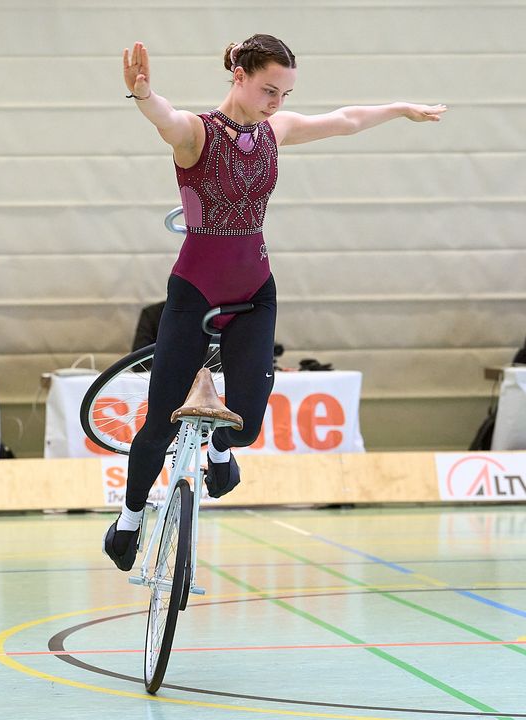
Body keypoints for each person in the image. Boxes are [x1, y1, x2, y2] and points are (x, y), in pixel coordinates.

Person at [104, 37, 446, 571]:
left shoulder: (274, 132)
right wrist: (144, 95)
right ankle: (128, 519)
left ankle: (220, 449)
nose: (276, 104)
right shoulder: (198, 135)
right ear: (238, 75)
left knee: (247, 424)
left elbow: (345, 120)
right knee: (159, 424)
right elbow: (166, 120)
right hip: (194, 290)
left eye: (285, 93)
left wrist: (400, 109)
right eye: (269, 90)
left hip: (255, 292)